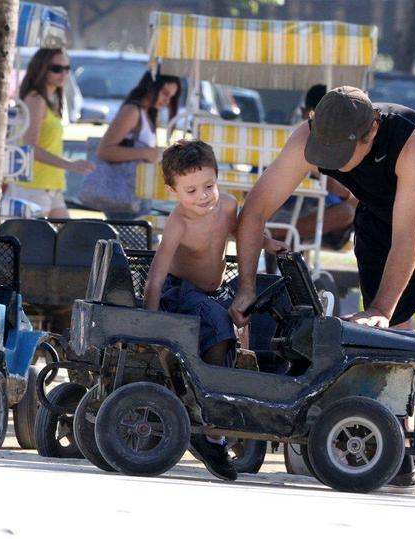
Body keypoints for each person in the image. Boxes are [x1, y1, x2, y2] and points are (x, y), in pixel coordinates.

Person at [229, 86, 415, 502]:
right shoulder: (309, 137)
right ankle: (399, 448)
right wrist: (247, 286)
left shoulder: (412, 139)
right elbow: (255, 209)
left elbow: (410, 233)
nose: (328, 161)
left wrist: (379, 308)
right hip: (378, 220)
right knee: (392, 338)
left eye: (341, 152)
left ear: (371, 129)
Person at [143, 139, 287, 482]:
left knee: (241, 325)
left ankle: (214, 400)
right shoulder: (178, 223)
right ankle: (207, 410)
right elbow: (157, 275)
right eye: (191, 190)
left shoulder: (226, 206)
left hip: (216, 290)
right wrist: (147, 323)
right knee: (220, 324)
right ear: (172, 191)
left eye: (209, 185)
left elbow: (242, 231)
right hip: (181, 292)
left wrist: (268, 243)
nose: (203, 196)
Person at [272, 84, 356, 249]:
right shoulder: (291, 140)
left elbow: (343, 192)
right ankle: (282, 234)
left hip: (314, 211)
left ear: (304, 110)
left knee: (352, 207)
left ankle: (280, 234)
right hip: (285, 209)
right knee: (348, 211)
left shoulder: (275, 140)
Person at [12, 48, 95, 217]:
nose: (63, 74)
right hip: (32, 186)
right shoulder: (35, 99)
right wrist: (70, 164)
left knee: (67, 239)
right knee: (36, 241)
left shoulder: (53, 100)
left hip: (51, 185)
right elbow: (30, 147)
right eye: (56, 69)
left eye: (67, 69)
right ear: (41, 69)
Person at [95, 71, 181, 220]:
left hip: (137, 195)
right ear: (151, 86)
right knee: (139, 241)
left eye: (171, 97)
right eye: (165, 93)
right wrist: (145, 153)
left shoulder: (148, 114)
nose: (167, 100)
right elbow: (104, 151)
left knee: (144, 240)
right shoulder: (132, 111)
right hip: (123, 194)